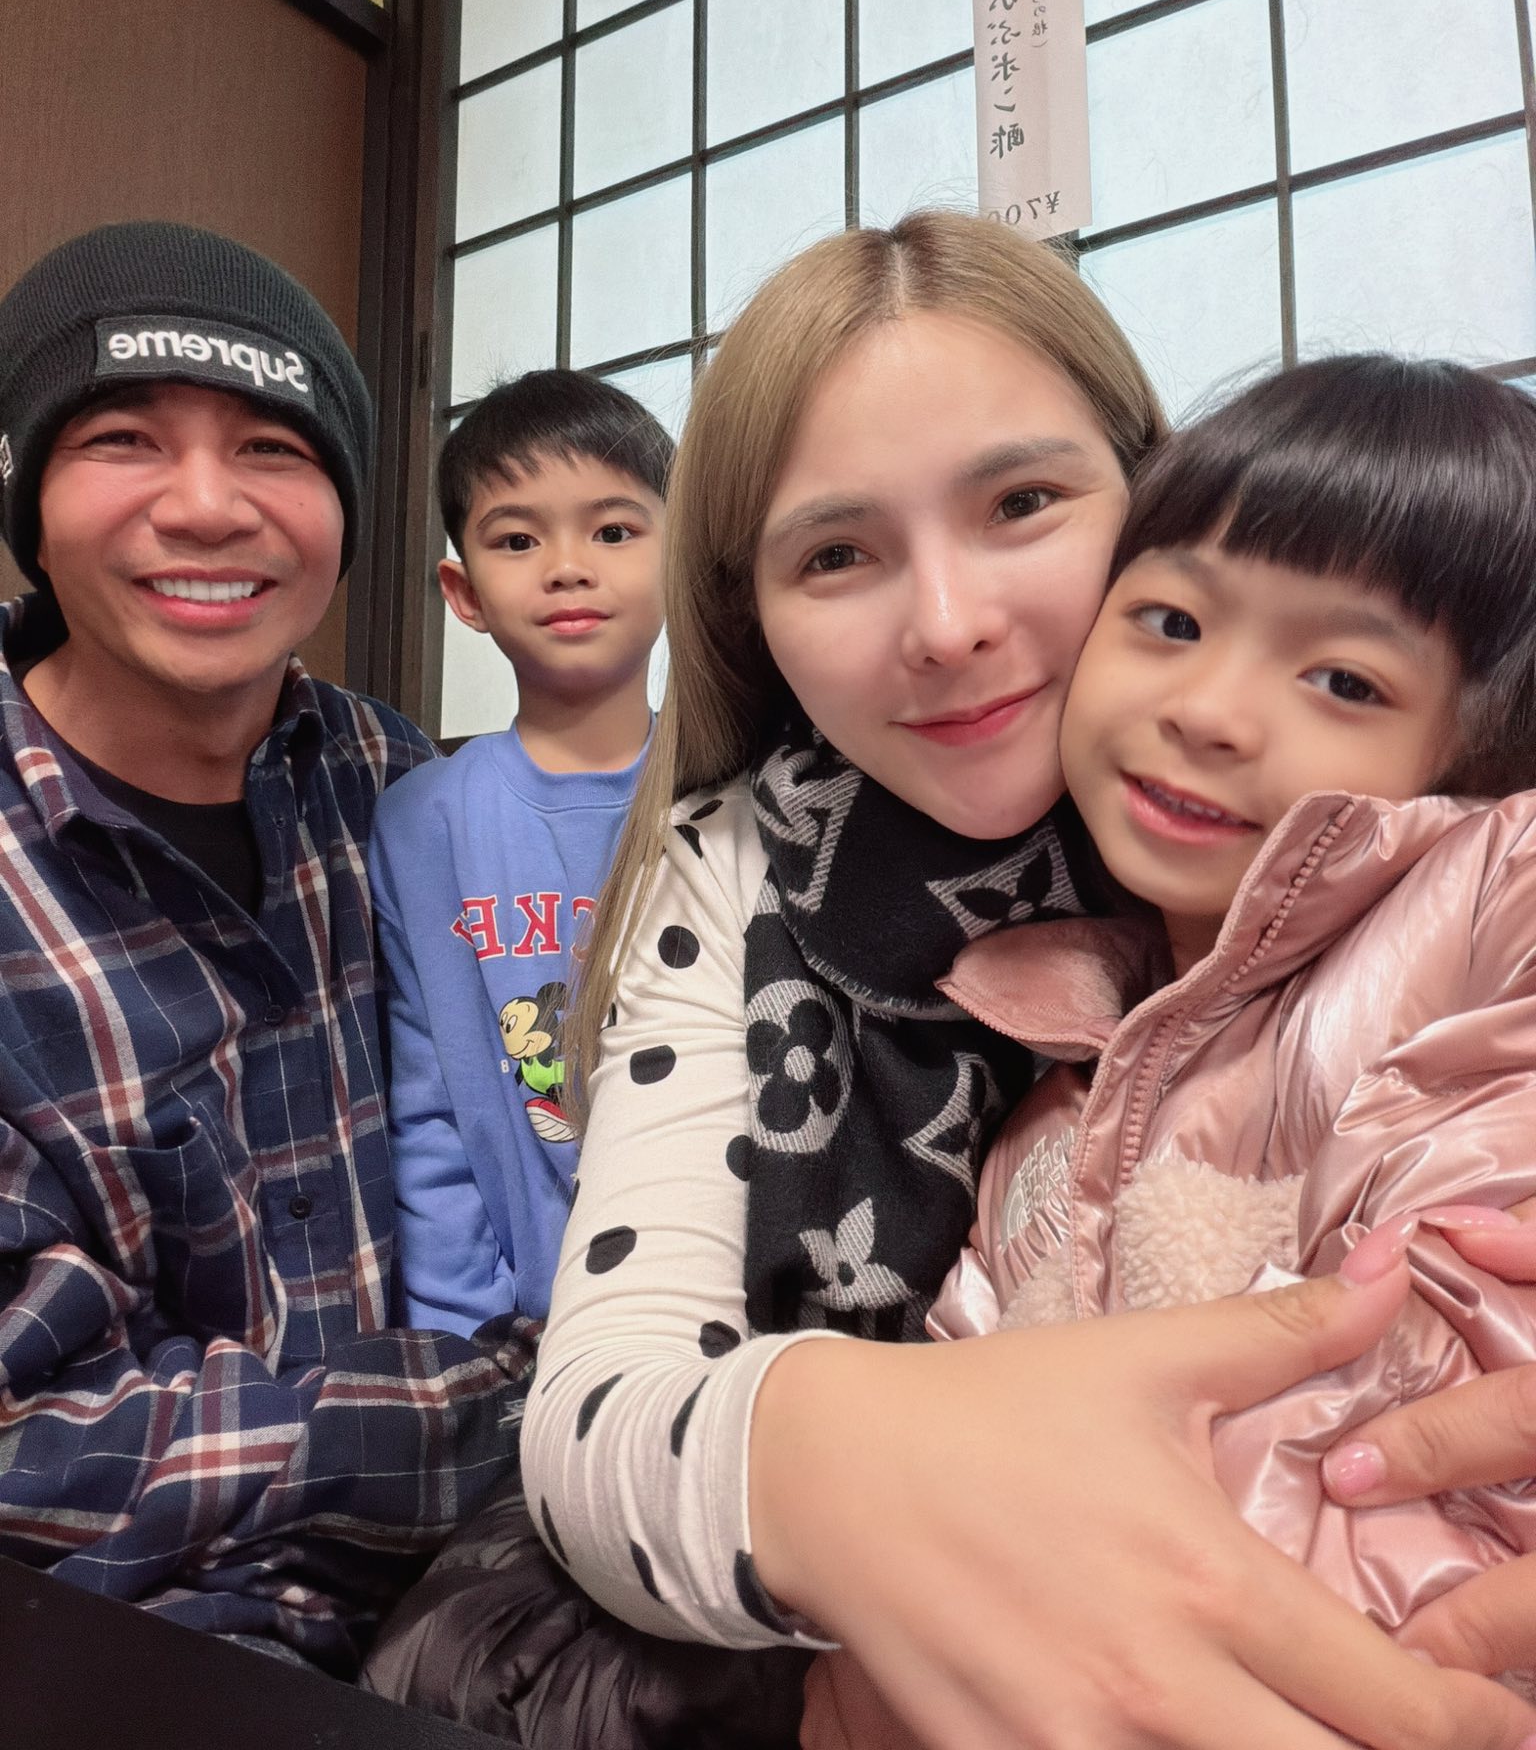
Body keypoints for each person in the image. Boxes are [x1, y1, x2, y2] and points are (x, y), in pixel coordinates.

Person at [519, 212, 1536, 1750]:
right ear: (753, 618)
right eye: (837, 554)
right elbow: (603, 1410)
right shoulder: (737, 867)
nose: (949, 628)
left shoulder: (1406, 860)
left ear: (1150, 485)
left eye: (1023, 504)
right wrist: (860, 1489)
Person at [808, 353, 1536, 1743]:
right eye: (1171, 620)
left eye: (1345, 678)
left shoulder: (1478, 909)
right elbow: (951, 1426)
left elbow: (1406, 1442)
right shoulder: (1049, 1066)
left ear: (1479, 748)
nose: (1209, 709)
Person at [0, 222, 527, 1674]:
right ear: (28, 496)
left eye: (274, 450)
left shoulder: (397, 783)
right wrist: (517, 1407)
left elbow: (534, 1087)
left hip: (488, 1574)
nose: (206, 506)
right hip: (142, 1642)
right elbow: (29, 1441)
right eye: (123, 439)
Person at [369, 370, 669, 1335]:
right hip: (519, 1331)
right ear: (465, 593)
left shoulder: (737, 787)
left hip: (726, 1309)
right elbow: (426, 1106)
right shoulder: (419, 822)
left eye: (613, 531)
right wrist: (458, 1338)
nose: (568, 567)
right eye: (517, 540)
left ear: (681, 556)